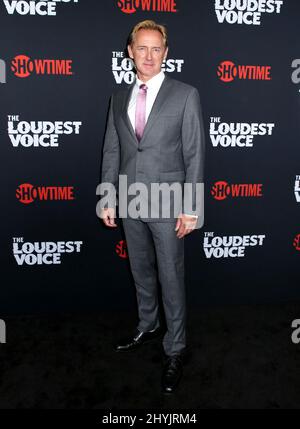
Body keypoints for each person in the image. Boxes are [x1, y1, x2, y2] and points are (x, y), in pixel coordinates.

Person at [100, 20, 205, 394]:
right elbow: (112, 150)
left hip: (168, 200)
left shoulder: (185, 94)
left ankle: (175, 348)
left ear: (166, 53)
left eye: (156, 49)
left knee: (171, 276)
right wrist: (107, 198)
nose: (148, 56)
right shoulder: (117, 98)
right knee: (141, 270)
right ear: (130, 52)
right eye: (141, 48)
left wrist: (191, 208)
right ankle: (148, 324)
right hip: (129, 198)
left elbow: (194, 154)